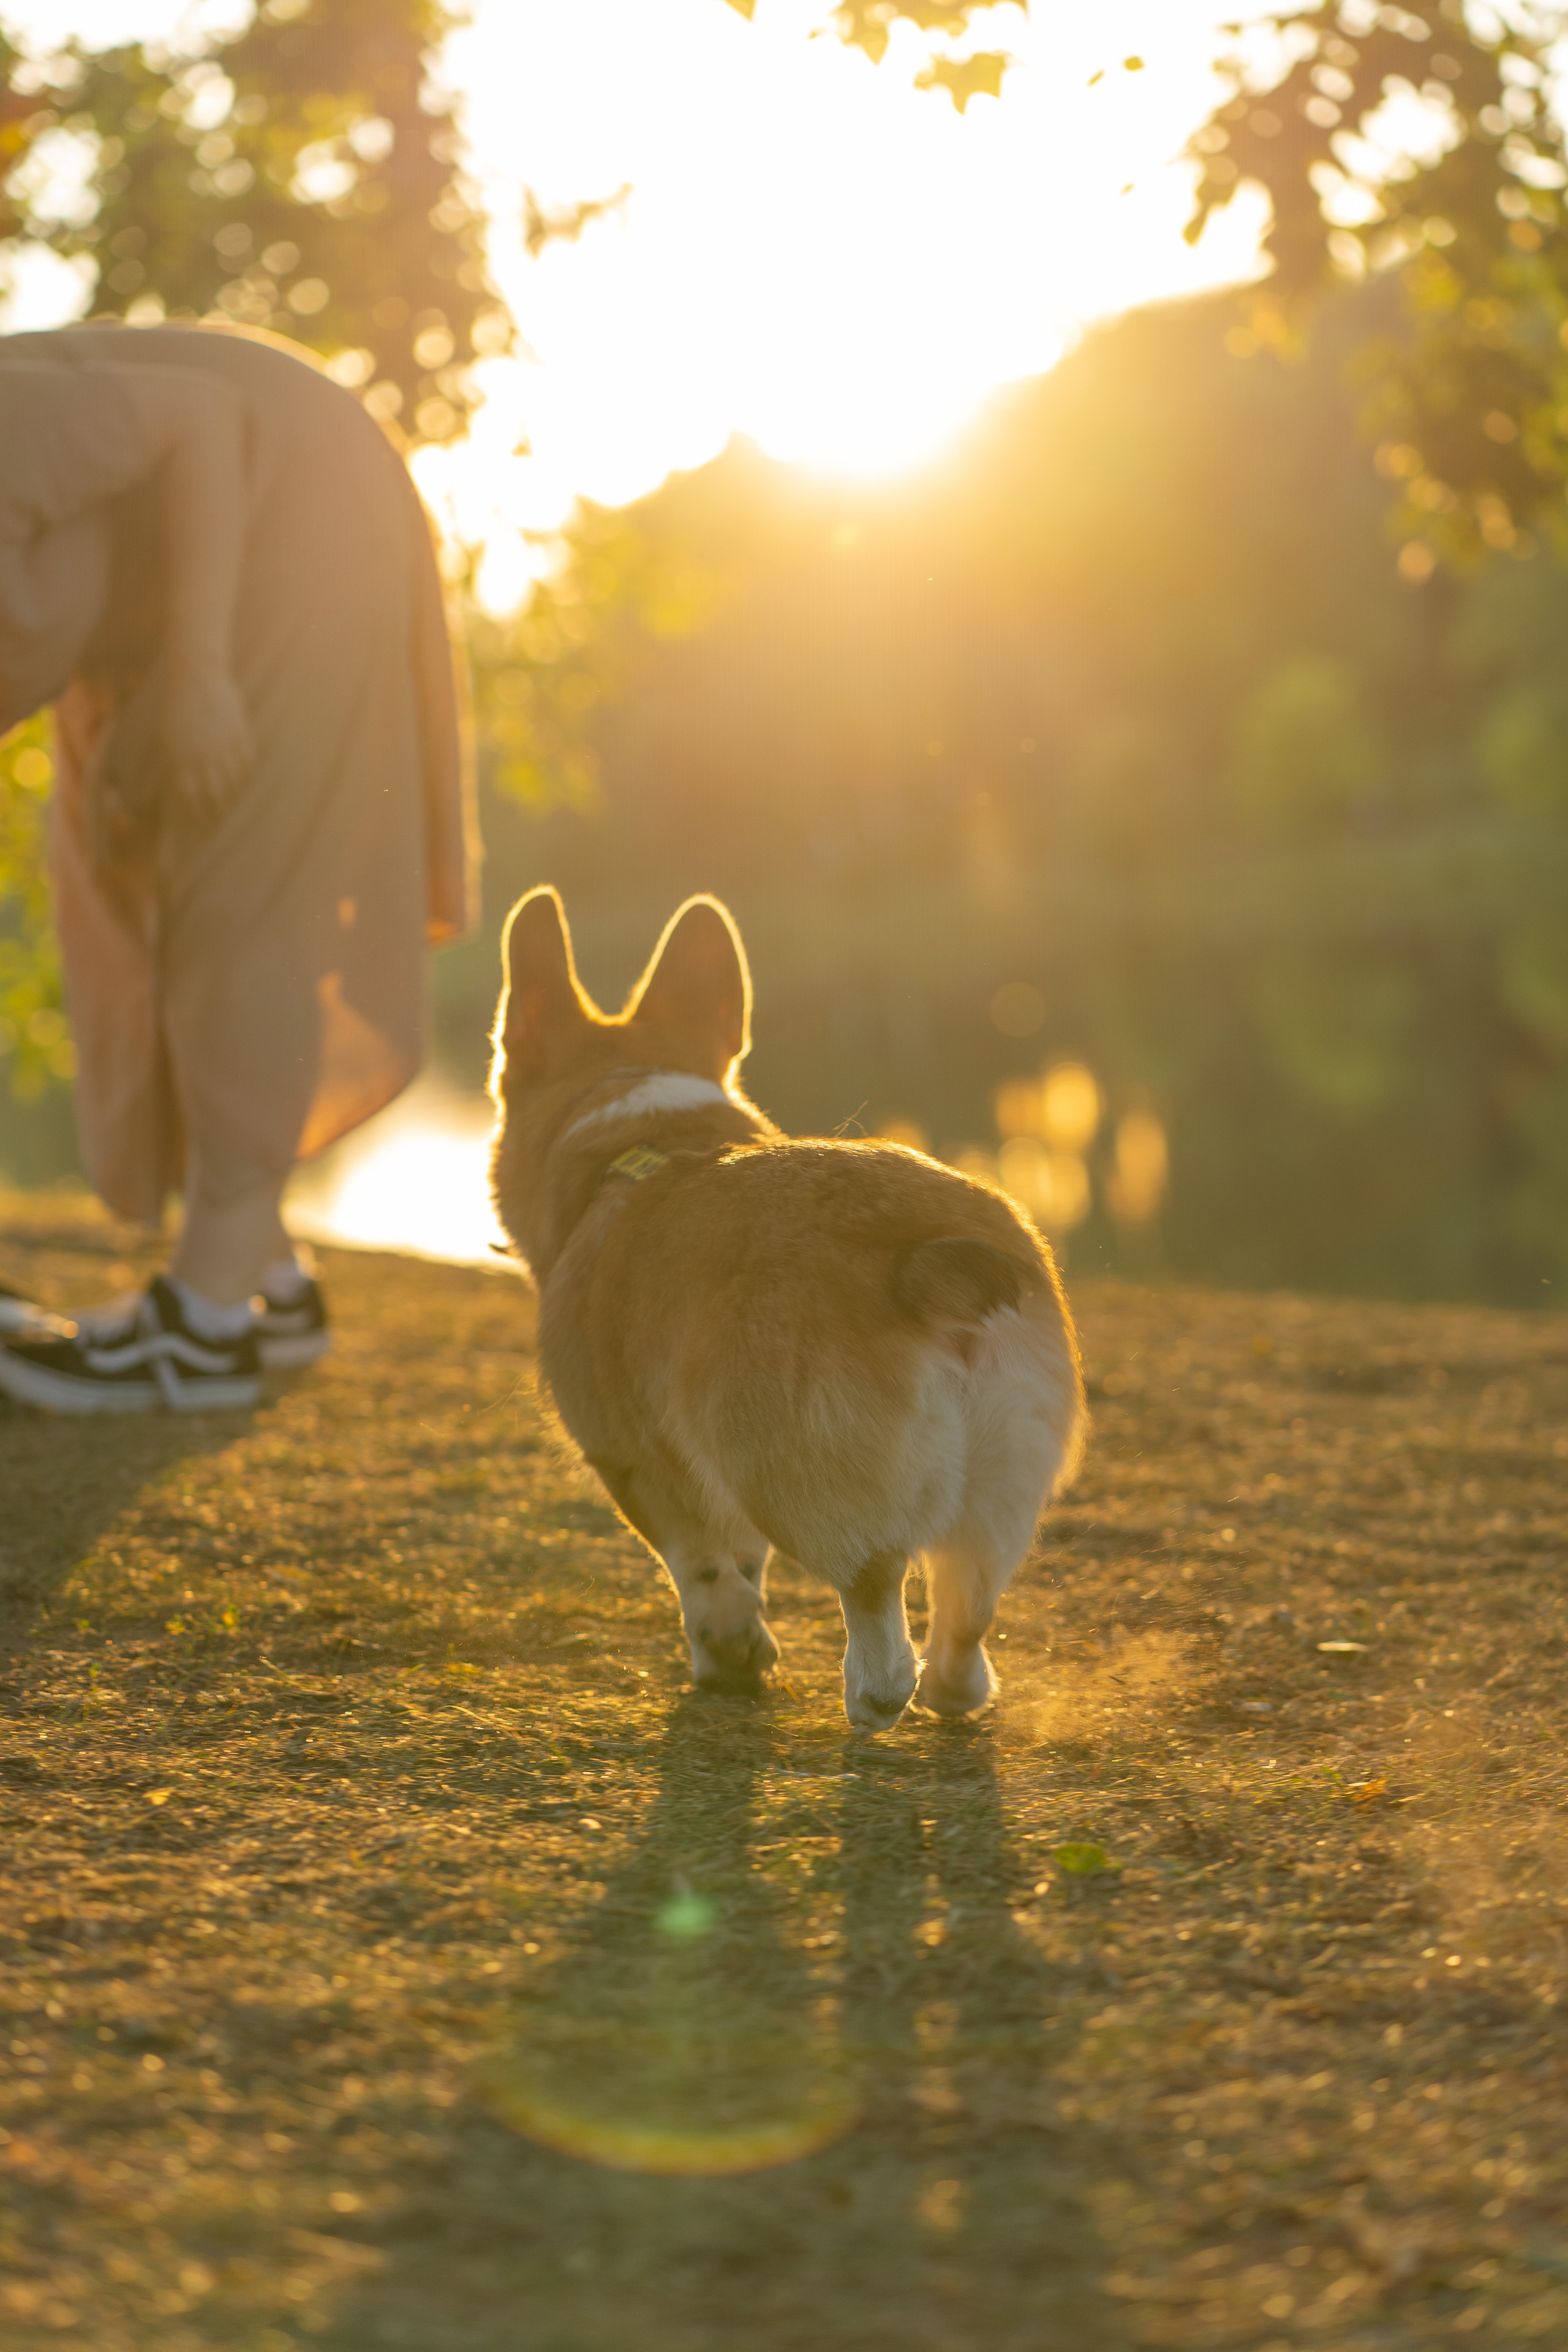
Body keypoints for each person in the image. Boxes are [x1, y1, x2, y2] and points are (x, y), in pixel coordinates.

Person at [0, 318, 477, 1412]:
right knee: (134, 893)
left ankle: (207, 1329)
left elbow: (199, 419)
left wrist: (205, 670)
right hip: (166, 606)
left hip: (292, 516)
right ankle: (265, 1280)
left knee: (239, 903)